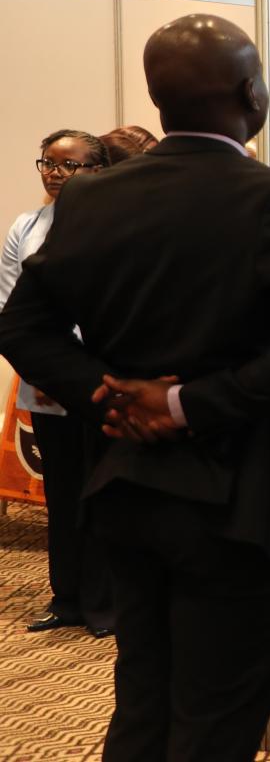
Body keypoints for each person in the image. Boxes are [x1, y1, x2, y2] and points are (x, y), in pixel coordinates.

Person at [0, 13, 270, 761]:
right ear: (251, 93)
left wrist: (106, 393)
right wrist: (183, 406)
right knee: (215, 718)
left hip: (127, 489)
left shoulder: (90, 199)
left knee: (144, 704)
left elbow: (21, 327)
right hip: (242, 503)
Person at [0, 129, 115, 638]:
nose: (54, 172)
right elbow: (12, 308)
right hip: (46, 384)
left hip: (102, 383)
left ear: (98, 171)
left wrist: (74, 370)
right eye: (48, 162)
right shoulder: (26, 226)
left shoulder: (115, 225)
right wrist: (47, 369)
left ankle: (104, 603)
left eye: (69, 164)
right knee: (62, 495)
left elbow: (109, 309)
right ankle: (65, 597)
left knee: (102, 493)